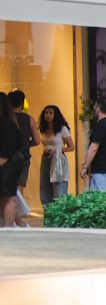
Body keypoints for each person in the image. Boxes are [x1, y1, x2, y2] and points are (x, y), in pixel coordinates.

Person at [6, 90, 33, 226]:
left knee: (9, 194)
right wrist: (27, 144)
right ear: (22, 103)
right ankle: (18, 221)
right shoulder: (28, 119)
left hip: (7, 159)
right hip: (23, 158)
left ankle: (15, 221)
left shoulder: (6, 119)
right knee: (17, 192)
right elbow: (37, 140)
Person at [37, 105, 73, 205]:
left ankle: (59, 214)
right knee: (45, 186)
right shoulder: (43, 129)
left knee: (58, 187)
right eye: (46, 112)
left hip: (58, 160)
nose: (47, 115)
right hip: (46, 158)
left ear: (55, 115)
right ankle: (48, 212)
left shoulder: (62, 129)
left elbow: (71, 147)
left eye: (50, 113)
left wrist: (57, 149)